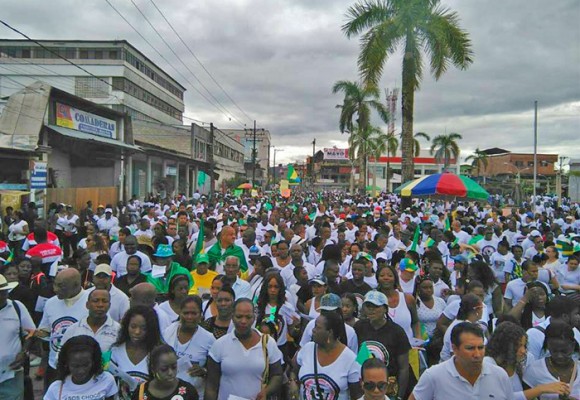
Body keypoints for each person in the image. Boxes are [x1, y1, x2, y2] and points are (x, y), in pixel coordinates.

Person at [410, 322, 513, 400]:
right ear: (454, 349)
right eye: (470, 348)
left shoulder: (499, 375)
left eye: (481, 348)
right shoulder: (433, 376)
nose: (477, 354)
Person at [205, 298, 284, 400]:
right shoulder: (220, 345)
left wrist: (266, 392)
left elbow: (277, 375)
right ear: (232, 317)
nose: (243, 321)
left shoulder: (268, 343)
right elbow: (211, 386)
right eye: (239, 316)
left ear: (254, 318)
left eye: (248, 317)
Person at [486, 321, 570, 399]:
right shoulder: (488, 364)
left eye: (524, 346)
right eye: (518, 346)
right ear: (504, 346)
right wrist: (540, 389)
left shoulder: (517, 367)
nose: (523, 351)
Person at [290, 311, 362, 400]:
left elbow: (356, 395)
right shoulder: (307, 349)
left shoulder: (351, 360)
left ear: (330, 332)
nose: (313, 330)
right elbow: (294, 371)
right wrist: (293, 382)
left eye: (317, 327)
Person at [36, 268, 90, 388]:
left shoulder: (91, 302)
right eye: (55, 284)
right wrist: (37, 333)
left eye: (61, 286)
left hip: (81, 369)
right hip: (55, 366)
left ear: (76, 285)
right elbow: (46, 331)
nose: (55, 289)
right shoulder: (50, 303)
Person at [354, 290, 411, 399]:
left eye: (376, 306)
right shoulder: (359, 327)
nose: (371, 309)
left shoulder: (397, 332)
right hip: (365, 387)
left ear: (385, 308)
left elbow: (403, 368)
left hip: (388, 389)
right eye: (368, 306)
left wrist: (400, 396)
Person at [162, 295, 215, 398]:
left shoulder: (209, 339)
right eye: (186, 313)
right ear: (180, 313)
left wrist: (204, 371)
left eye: (194, 313)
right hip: (167, 393)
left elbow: (214, 372)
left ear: (201, 315)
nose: (189, 317)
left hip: (193, 395)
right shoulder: (168, 331)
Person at [110, 306, 163, 400]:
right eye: (133, 326)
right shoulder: (114, 350)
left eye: (144, 328)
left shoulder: (159, 354)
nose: (137, 332)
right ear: (126, 326)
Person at [44, 335, 117, 400]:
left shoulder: (106, 379)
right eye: (75, 366)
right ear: (66, 364)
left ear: (94, 361)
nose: (81, 371)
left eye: (86, 365)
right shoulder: (56, 388)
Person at [523, 320, 580, 399]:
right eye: (554, 351)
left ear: (573, 346)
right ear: (548, 346)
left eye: (564, 351)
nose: (559, 356)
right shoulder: (534, 370)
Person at [0, 273, 35, 400]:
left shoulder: (17, 307)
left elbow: (31, 333)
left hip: (12, 375)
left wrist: (24, 352)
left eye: (4, 292)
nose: (2, 295)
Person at [58, 289, 120, 358]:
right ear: (87, 305)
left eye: (104, 301)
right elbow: (60, 357)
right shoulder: (73, 330)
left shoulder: (119, 330)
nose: (100, 305)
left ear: (109, 305)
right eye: (95, 301)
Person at [131, 344, 199, 400]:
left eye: (174, 367)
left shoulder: (188, 391)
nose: (170, 373)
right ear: (153, 369)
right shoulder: (141, 392)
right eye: (164, 369)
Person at [376, 264, 421, 340]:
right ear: (377, 279)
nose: (386, 278)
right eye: (382, 275)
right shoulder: (373, 299)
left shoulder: (408, 299)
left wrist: (418, 338)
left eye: (390, 276)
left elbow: (415, 322)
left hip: (408, 347)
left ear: (395, 279)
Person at [440, 293, 486, 362]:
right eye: (482, 308)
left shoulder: (470, 323)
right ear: (477, 310)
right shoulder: (460, 329)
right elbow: (455, 356)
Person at [414, 275, 447, 339]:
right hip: (421, 340)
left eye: (430, 287)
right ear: (418, 288)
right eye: (425, 288)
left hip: (438, 339)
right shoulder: (415, 302)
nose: (429, 290)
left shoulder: (440, 301)